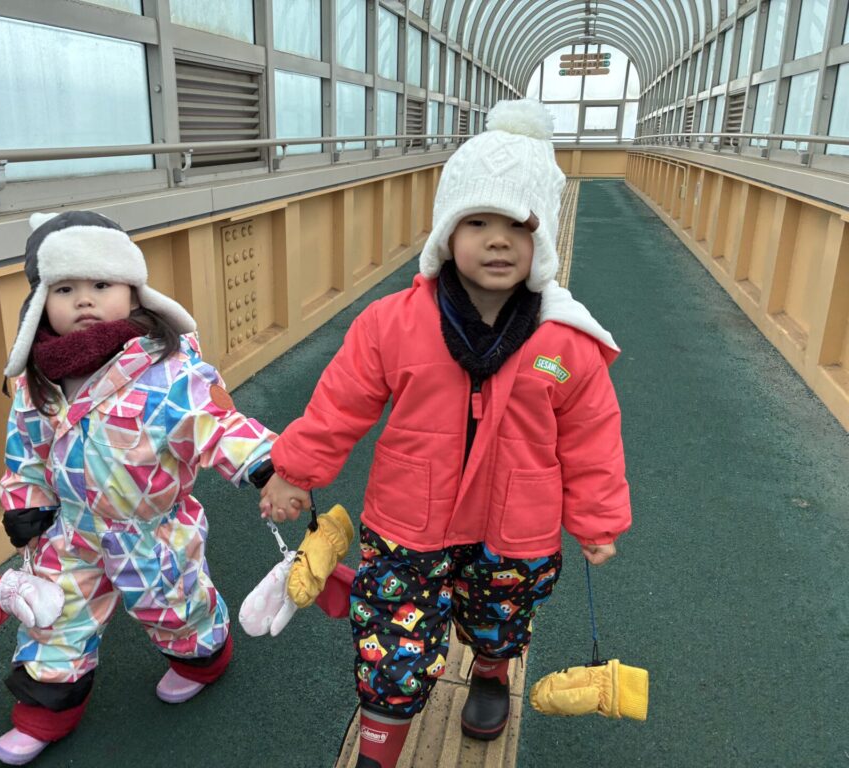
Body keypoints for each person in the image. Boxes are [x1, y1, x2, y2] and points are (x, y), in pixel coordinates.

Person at [258, 99, 632, 768]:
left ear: (542, 241)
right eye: (477, 222)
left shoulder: (564, 343)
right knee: (390, 645)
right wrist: (295, 470)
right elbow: (340, 403)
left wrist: (597, 519)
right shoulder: (393, 323)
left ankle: (489, 669)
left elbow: (591, 436)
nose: (498, 241)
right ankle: (378, 748)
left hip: (517, 526)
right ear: (445, 232)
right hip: (408, 521)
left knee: (500, 617)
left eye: (518, 226)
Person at [0, 210, 277, 765]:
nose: (84, 300)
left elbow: (216, 423)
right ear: (41, 302)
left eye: (102, 284)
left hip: (151, 531)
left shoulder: (167, 370)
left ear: (133, 290)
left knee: (174, 605)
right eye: (65, 289)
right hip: (70, 532)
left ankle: (202, 659)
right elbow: (24, 451)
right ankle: (44, 711)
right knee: (56, 619)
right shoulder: (37, 381)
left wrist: (267, 463)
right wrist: (25, 502)